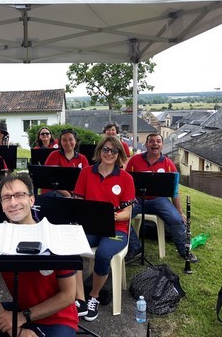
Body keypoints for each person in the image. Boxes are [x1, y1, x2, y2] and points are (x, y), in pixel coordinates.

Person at [0, 174, 78, 337]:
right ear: (2, 205)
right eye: (6, 198)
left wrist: (21, 318)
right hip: (21, 309)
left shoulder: (55, 237)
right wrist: (14, 328)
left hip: (58, 318)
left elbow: (68, 295)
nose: (13, 202)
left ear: (32, 200)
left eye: (19, 195)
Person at [73, 136, 135, 321]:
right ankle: (79, 297)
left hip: (117, 228)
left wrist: (113, 216)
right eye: (105, 149)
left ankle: (94, 296)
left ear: (119, 155)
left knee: (103, 254)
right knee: (72, 248)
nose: (109, 153)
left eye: (113, 151)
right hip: (91, 225)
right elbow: (78, 201)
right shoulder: (85, 173)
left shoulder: (126, 178)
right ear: (99, 151)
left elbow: (128, 212)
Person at [125, 133, 197, 263]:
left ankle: (184, 251)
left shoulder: (169, 164)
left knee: (176, 220)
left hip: (159, 200)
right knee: (122, 218)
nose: (155, 144)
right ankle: (135, 248)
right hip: (137, 199)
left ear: (162, 145)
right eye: (151, 141)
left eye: (158, 141)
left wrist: (180, 213)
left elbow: (174, 192)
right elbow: (125, 182)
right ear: (146, 145)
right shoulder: (134, 160)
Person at [43, 128, 89, 197]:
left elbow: (86, 179)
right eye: (64, 140)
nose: (67, 143)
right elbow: (50, 178)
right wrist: (68, 195)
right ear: (60, 142)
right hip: (54, 191)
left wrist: (77, 193)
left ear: (75, 141)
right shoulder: (54, 155)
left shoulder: (83, 158)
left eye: (70, 140)